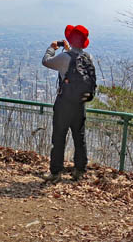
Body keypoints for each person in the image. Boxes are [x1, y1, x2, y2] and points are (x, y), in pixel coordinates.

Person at [41, 24, 93, 182]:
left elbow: (46, 62)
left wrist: (51, 48)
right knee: (79, 137)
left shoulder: (65, 57)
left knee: (59, 138)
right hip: (79, 104)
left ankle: (55, 173)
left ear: (70, 39)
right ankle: (79, 171)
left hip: (64, 104)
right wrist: (70, 49)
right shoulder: (87, 58)